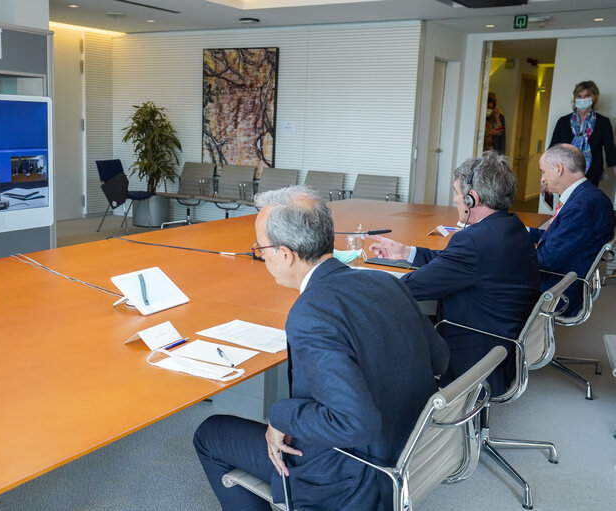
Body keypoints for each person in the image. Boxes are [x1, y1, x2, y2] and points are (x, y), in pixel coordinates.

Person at [194, 185, 449, 511]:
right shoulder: (385, 281)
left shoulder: (310, 313)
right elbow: (440, 358)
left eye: (261, 248)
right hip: (412, 449)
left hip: (354, 477)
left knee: (210, 434)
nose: (261, 254)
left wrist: (280, 417)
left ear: (285, 254)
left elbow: (356, 423)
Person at [369, 151, 539, 394]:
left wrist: (356, 281)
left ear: (473, 199)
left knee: (388, 318)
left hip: (478, 355)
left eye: (457, 193)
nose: (455, 199)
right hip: (504, 345)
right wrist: (406, 252)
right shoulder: (510, 227)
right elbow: (455, 264)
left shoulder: (473, 242)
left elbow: (408, 288)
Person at [531, 143, 615, 316]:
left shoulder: (581, 207)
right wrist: (520, 231)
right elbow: (556, 237)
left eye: (543, 171)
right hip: (563, 278)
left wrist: (507, 250)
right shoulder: (589, 195)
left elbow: (545, 260)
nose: (542, 179)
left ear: (558, 169)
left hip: (557, 290)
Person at [549, 80, 616, 187]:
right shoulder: (563, 121)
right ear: (575, 98)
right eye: (579, 96)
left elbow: (610, 150)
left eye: (587, 96)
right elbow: (553, 149)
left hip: (591, 174)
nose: (582, 99)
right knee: (568, 202)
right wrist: (546, 179)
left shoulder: (603, 122)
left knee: (587, 202)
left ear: (594, 97)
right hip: (564, 172)